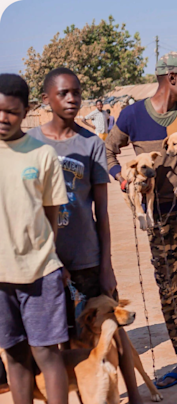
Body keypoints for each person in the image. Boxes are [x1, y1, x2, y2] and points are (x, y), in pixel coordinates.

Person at [28, 67, 144, 403]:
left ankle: (133, 395)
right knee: (63, 336)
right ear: (47, 98)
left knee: (111, 332)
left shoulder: (92, 142)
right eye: (63, 93)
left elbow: (101, 212)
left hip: (88, 258)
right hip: (47, 261)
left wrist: (105, 264)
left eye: (76, 92)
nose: (72, 99)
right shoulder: (30, 143)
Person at [105, 51, 177, 390]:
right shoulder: (131, 115)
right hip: (157, 221)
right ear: (172, 79)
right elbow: (108, 151)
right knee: (168, 293)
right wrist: (123, 178)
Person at [0, 73, 69, 404]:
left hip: (40, 272)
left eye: (11, 111)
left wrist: (48, 255)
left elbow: (51, 215)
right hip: (0, 278)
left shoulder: (42, 156)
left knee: (46, 352)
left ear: (25, 110)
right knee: (13, 354)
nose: (3, 118)